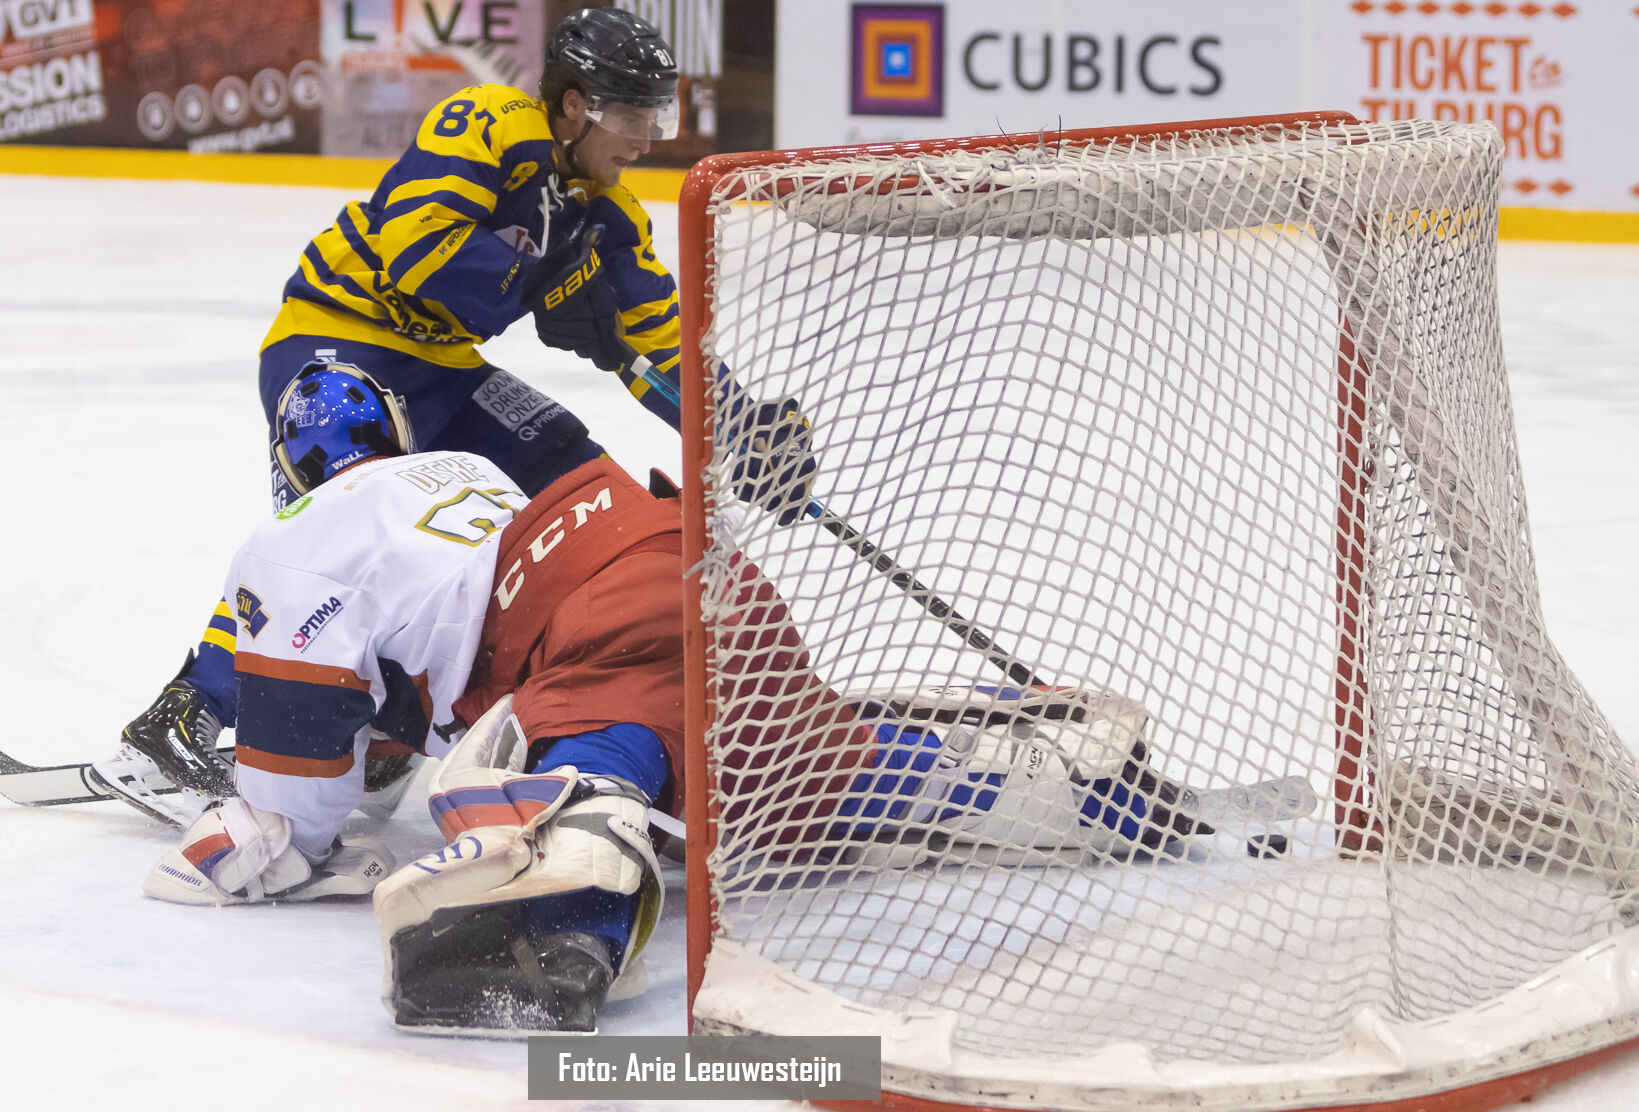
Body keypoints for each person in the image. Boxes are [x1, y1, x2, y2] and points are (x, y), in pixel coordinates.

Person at [136, 361, 1184, 1036]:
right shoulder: (455, 472)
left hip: (597, 621)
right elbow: (427, 644)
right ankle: (1098, 800)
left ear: (288, 466)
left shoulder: (287, 543)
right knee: (815, 759)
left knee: (601, 758)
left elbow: (293, 794)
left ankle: (574, 932)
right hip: (687, 554)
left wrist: (241, 839)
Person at [95, 6, 804, 812]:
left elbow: (655, 341)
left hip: (445, 370)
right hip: (337, 345)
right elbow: (415, 248)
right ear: (574, 105)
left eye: (658, 116)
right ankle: (186, 713)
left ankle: (412, 717)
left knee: (582, 496)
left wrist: (736, 429)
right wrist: (543, 277)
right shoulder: (488, 122)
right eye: (634, 116)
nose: (648, 139)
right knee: (341, 537)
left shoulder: (609, 216)